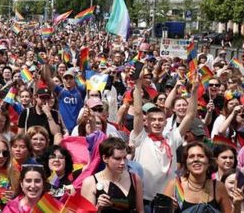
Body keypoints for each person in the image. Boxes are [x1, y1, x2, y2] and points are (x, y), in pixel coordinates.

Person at [130, 75, 199, 205]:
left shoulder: (172, 138)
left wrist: (195, 90)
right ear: (147, 122)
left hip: (168, 199)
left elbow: (190, 115)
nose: (157, 123)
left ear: (165, 122)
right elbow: (138, 112)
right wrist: (138, 86)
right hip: (143, 199)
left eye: (160, 120)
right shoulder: (141, 137)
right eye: (153, 120)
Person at [163, 142, 234, 213]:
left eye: (201, 156)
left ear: (209, 161)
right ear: (186, 162)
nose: (196, 159)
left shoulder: (218, 187)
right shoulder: (175, 186)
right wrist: (169, 209)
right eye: (191, 156)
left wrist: (237, 205)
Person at [81, 136, 144, 213]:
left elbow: (140, 211)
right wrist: (98, 208)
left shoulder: (134, 179)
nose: (122, 163)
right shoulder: (90, 182)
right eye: (117, 158)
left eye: (124, 158)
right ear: (105, 158)